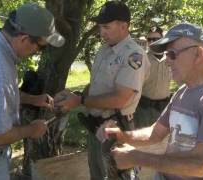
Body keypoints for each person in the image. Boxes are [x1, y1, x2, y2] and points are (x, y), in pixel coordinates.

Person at [104, 22, 203, 180]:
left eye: (172, 54)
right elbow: (155, 133)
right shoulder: (183, 92)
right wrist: (123, 136)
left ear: (198, 54)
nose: (167, 61)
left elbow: (200, 165)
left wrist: (135, 157)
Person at [55, 1, 150, 179]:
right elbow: (97, 86)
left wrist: (81, 102)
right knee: (97, 174)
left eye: (106, 26)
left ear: (124, 26)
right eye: (100, 27)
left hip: (116, 128)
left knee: (118, 175)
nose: (101, 32)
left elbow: (120, 99)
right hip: (95, 126)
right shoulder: (104, 50)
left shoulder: (133, 55)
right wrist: (76, 95)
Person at [0, 3, 65, 180]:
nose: (38, 52)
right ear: (24, 39)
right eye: (41, 46)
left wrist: (32, 99)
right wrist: (31, 129)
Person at [134, 26, 171, 128]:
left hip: (164, 110)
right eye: (149, 39)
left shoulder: (171, 59)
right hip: (143, 110)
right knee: (143, 141)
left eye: (156, 39)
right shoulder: (141, 59)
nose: (152, 42)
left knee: (162, 141)